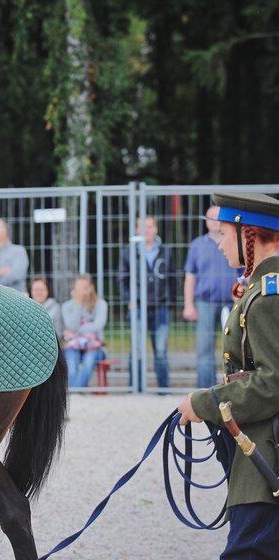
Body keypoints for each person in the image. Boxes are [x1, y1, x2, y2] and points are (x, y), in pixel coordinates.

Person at [177, 192, 279, 558]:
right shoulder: (261, 289)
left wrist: (204, 403)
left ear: (248, 235)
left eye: (222, 234)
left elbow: (272, 383)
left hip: (267, 460)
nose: (218, 244)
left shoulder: (270, 296)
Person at [183, 205, 241, 389]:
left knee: (234, 349)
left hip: (232, 304)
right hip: (204, 303)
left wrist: (240, 297)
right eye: (211, 218)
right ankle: (205, 392)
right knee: (204, 350)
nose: (215, 222)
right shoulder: (196, 245)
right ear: (206, 222)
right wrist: (188, 305)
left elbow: (244, 274)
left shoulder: (234, 242)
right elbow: (190, 277)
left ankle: (232, 388)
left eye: (218, 218)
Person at [118, 215, 176, 389]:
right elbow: (122, 279)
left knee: (160, 351)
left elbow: (173, 278)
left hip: (161, 306)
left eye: (150, 226)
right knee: (137, 351)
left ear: (156, 229)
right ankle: (136, 388)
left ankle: (163, 389)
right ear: (136, 230)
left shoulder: (166, 251)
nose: (146, 230)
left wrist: (169, 302)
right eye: (142, 227)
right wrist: (129, 300)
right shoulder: (129, 252)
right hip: (137, 307)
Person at [62, 274, 108, 387]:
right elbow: (71, 325)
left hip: (95, 347)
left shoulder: (101, 304)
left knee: (89, 360)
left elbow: (97, 326)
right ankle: (77, 391)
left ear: (91, 287)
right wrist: (78, 304)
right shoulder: (67, 306)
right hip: (73, 345)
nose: (82, 291)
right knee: (71, 362)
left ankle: (75, 391)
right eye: (79, 288)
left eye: (85, 287)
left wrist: (75, 330)